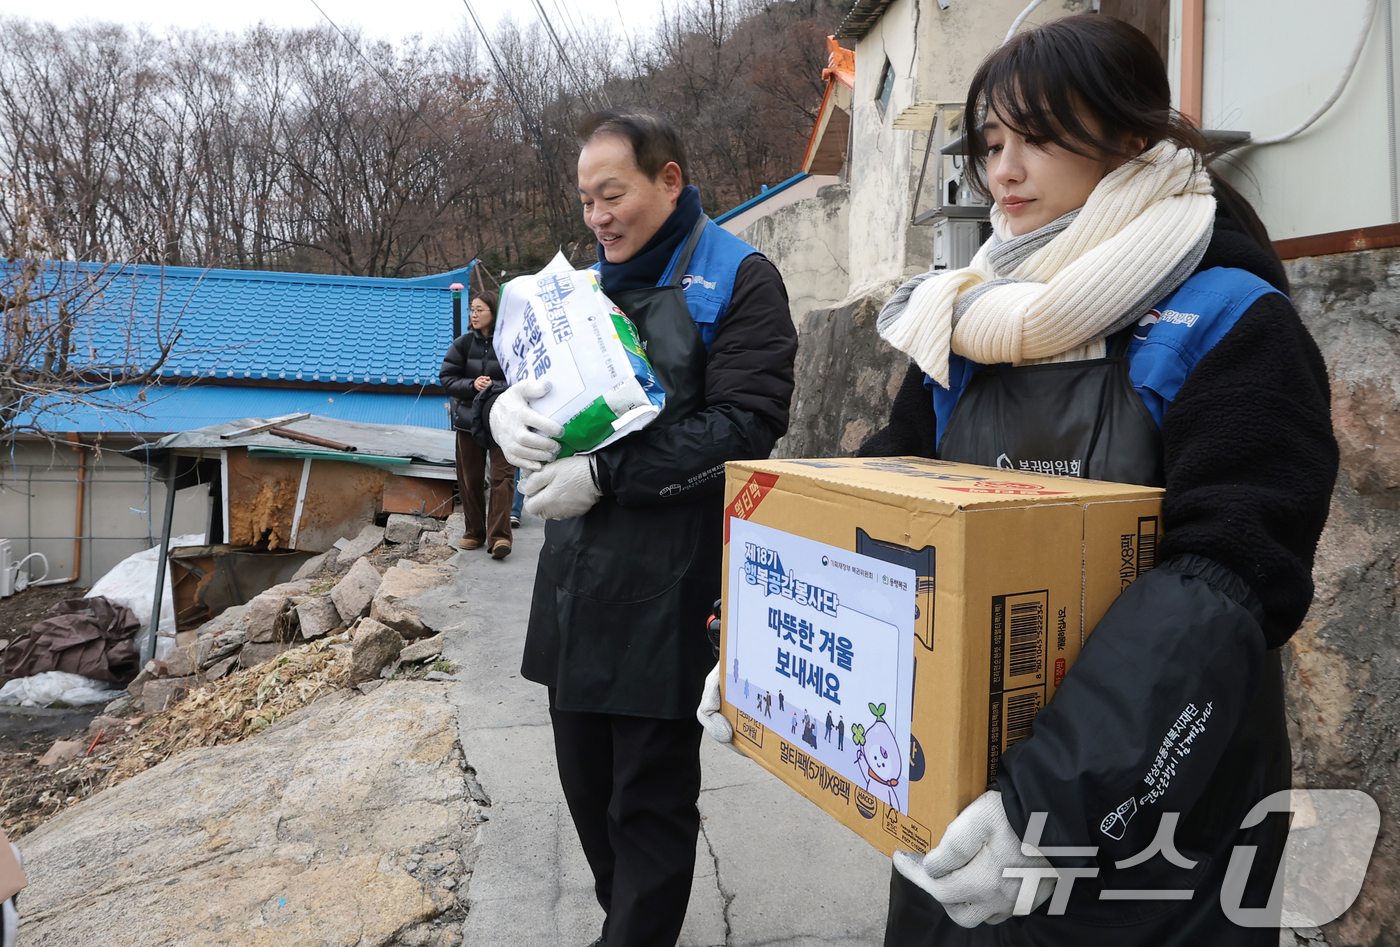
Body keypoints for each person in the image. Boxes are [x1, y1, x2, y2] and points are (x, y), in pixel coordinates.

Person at [697, 14, 1335, 947]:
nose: (1003, 169)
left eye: (1037, 136)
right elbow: (881, 505)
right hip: (951, 800)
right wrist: (758, 654)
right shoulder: (971, 325)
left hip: (1148, 813)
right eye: (991, 142)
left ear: (1129, 137)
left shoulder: (1232, 323)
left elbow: (1227, 581)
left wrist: (1048, 800)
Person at [474, 106, 797, 947]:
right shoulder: (577, 292)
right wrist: (504, 412)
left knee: (647, 798)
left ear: (669, 180)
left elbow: (744, 427)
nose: (597, 217)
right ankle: (627, 921)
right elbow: (531, 386)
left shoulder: (737, 279)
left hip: (671, 580)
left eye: (611, 194)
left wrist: (604, 472)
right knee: (585, 786)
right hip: (576, 576)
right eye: (585, 201)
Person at [440, 291, 515, 559]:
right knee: (470, 480)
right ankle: (474, 532)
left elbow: (525, 380)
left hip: (502, 421)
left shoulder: (510, 343)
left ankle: (500, 538)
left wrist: (494, 387)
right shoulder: (461, 344)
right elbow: (447, 379)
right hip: (467, 421)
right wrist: (472, 385)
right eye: (472, 309)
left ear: (494, 313)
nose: (474, 314)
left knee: (502, 478)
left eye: (480, 310)